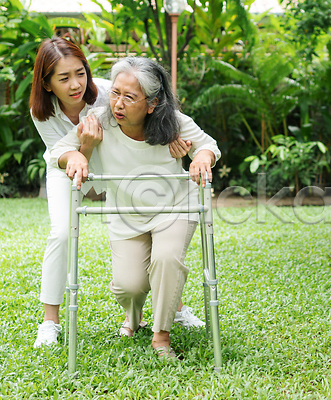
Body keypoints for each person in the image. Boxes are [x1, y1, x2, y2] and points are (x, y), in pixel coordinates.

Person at [30, 38, 203, 349]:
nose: (75, 85)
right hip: (71, 163)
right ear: (46, 83)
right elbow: (61, 154)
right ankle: (50, 321)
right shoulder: (41, 112)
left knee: (161, 236)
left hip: (118, 162)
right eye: (63, 78)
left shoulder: (110, 91)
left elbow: (156, 104)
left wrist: (174, 138)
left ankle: (174, 309)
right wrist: (83, 149)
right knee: (61, 234)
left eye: (80, 73)